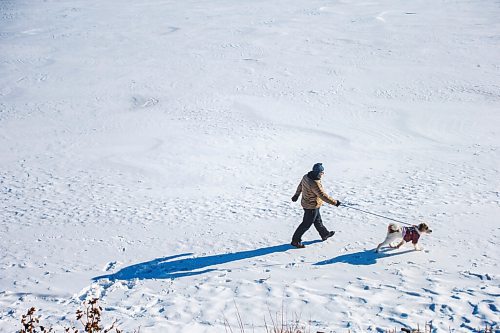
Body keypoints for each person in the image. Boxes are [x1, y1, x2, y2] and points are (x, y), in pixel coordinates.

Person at [290, 163, 341, 248]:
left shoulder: (306, 176)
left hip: (310, 204)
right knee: (306, 224)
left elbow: (300, 186)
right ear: (317, 172)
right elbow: (322, 196)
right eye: (321, 172)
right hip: (311, 206)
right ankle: (295, 241)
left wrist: (296, 195)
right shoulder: (314, 183)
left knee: (318, 221)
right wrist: (335, 202)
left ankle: (325, 234)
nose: (322, 174)